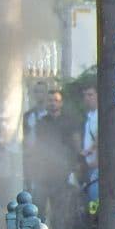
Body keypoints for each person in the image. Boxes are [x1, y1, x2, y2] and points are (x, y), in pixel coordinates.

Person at [32, 88, 81, 217]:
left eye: (56, 100)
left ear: (61, 103)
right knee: (39, 211)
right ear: (46, 103)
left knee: (61, 213)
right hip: (43, 174)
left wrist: (75, 166)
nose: (53, 103)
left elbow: (76, 145)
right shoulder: (41, 123)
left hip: (63, 174)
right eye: (50, 100)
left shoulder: (69, 122)